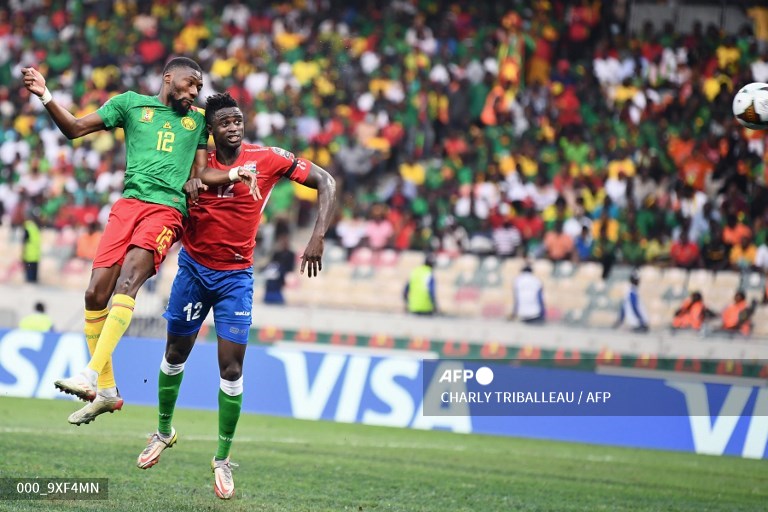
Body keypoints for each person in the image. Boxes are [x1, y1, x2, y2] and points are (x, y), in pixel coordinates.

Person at [21, 59, 258, 425]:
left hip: (167, 210)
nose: (195, 92)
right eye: (190, 83)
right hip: (128, 206)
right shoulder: (130, 104)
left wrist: (230, 173)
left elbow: (199, 174)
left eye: (199, 87)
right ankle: (108, 391)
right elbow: (74, 128)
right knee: (94, 294)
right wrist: (46, 95)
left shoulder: (197, 122)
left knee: (129, 280)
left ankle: (88, 374)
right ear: (168, 77)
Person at [135, 93, 336, 500]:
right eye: (224, 122)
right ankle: (163, 431)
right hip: (193, 270)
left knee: (231, 369)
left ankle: (222, 460)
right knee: (175, 355)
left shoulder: (268, 158)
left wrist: (317, 236)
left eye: (238, 120)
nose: (234, 127)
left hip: (235, 277)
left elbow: (326, 181)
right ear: (211, 128)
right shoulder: (194, 158)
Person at [262, 233, 296, 305]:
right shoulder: (277, 253)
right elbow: (272, 262)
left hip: (283, 272)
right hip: (275, 272)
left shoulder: (291, 253)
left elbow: (291, 266)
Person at [22, 214, 42, 283]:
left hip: (29, 255)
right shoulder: (36, 228)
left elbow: (24, 242)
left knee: (29, 278)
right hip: (35, 255)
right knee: (34, 277)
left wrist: (23, 253)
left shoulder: (28, 228)